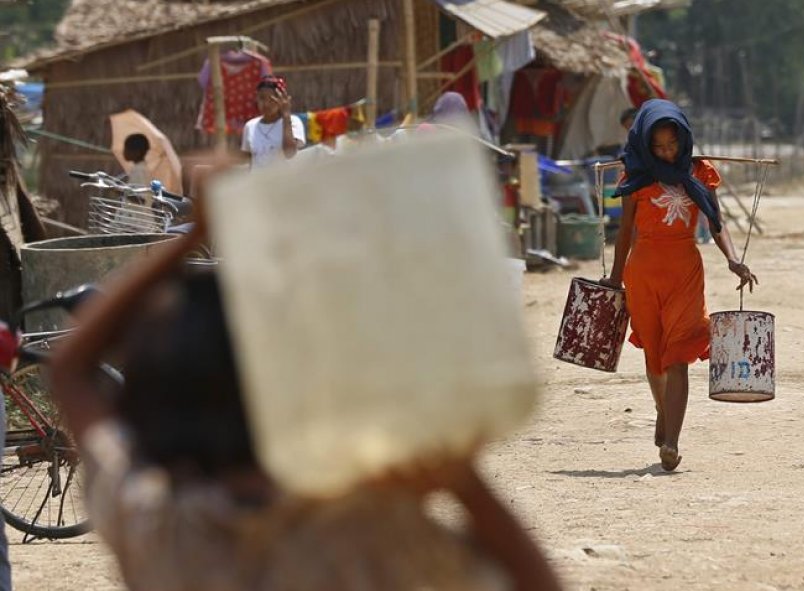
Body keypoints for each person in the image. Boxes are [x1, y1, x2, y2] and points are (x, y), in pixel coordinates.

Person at [49, 185, 562, 591]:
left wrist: (192, 237)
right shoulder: (366, 531)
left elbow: (70, 373)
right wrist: (461, 480)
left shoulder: (155, 526)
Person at [600, 99, 758, 471]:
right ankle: (663, 411)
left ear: (684, 139)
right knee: (654, 353)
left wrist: (733, 259)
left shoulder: (700, 173)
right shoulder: (635, 176)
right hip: (643, 272)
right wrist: (614, 277)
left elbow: (716, 221)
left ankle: (671, 441)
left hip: (685, 271)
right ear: (645, 144)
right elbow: (624, 234)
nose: (667, 153)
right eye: (659, 147)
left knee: (680, 354)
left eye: (673, 145)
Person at [241, 76, 305, 169]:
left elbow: (289, 153)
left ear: (281, 99)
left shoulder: (293, 122)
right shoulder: (250, 126)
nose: (266, 104)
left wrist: (286, 116)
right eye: (262, 98)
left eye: (272, 99)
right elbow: (249, 159)